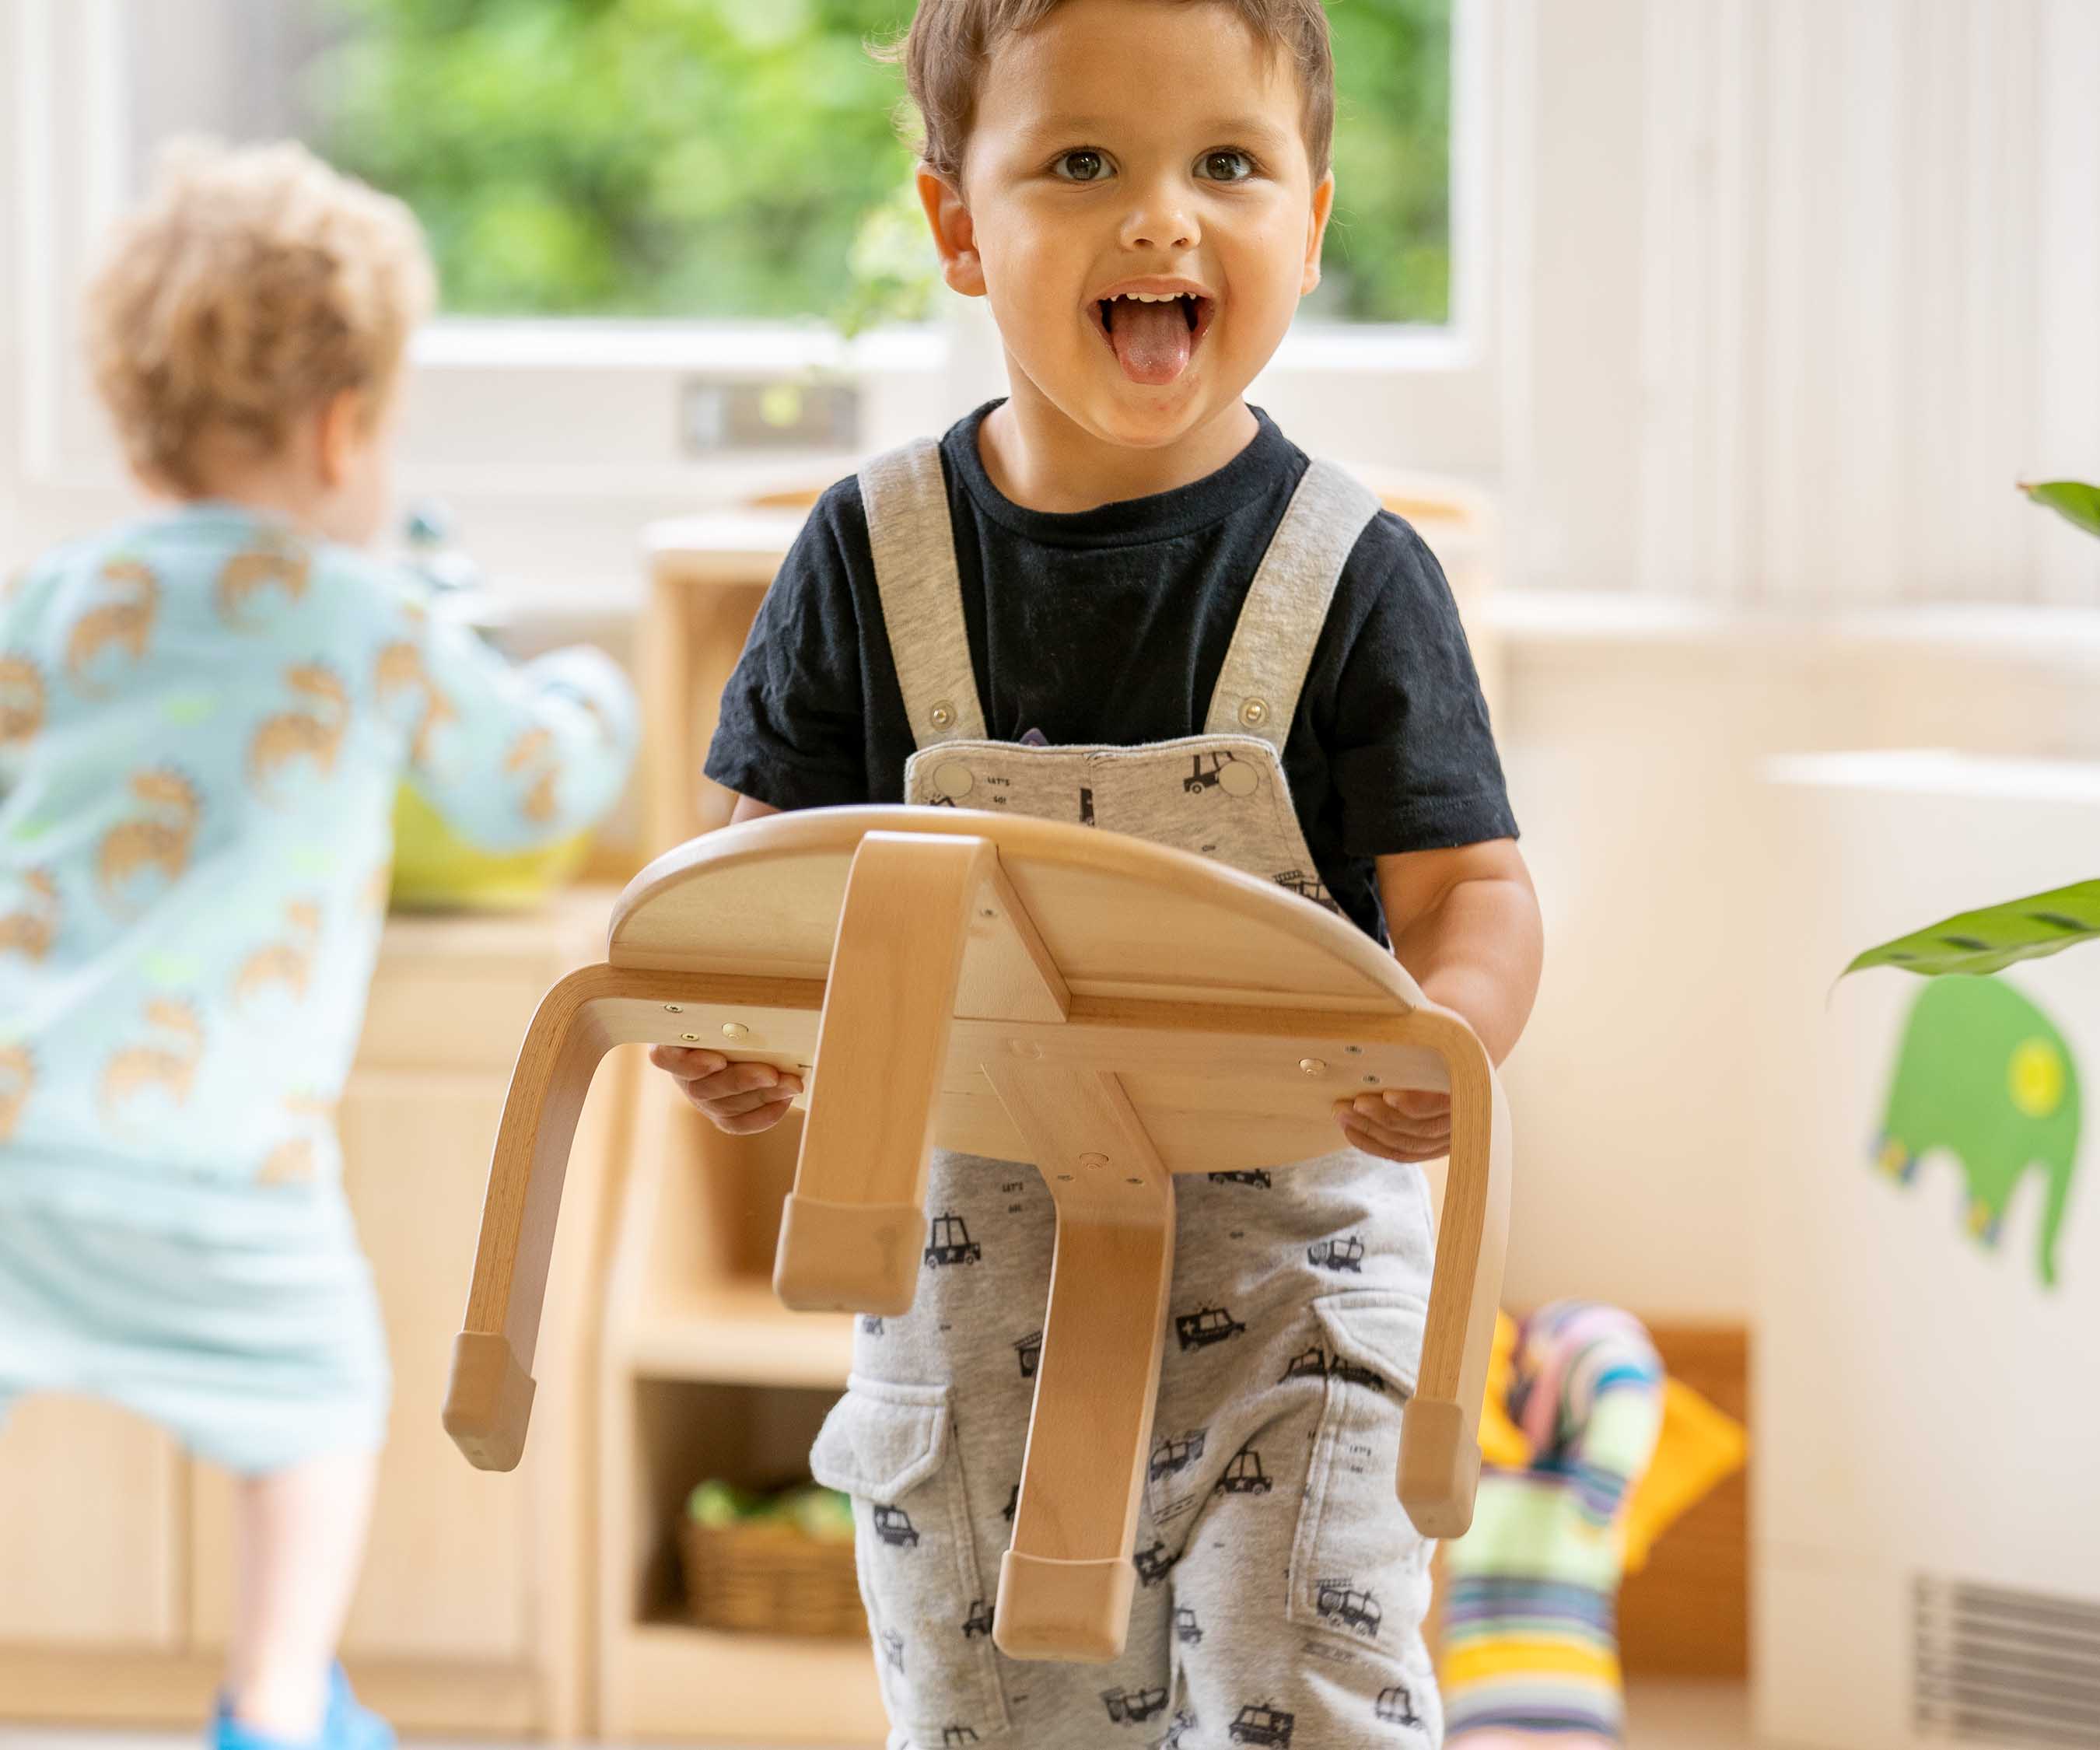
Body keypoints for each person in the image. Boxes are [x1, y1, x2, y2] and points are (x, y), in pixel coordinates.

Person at [653, 1, 1544, 1741]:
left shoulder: (1357, 575)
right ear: (958, 226)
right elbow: (760, 890)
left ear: (1312, 213)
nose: (1161, 217)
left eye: (1227, 163)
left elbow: (1471, 895)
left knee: (1314, 1697)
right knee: (994, 1718)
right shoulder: (866, 555)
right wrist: (741, 1028)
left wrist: (1457, 1029)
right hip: (969, 1303)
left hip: (1299, 1297)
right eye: (1083, 163)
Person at [0, 139, 636, 1750]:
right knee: (314, 1408)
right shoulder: (368, 621)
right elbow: (530, 789)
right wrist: (600, 695)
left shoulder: (56, 599)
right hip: (217, 1161)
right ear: (349, 422)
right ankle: (278, 1706)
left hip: (15, 1126)